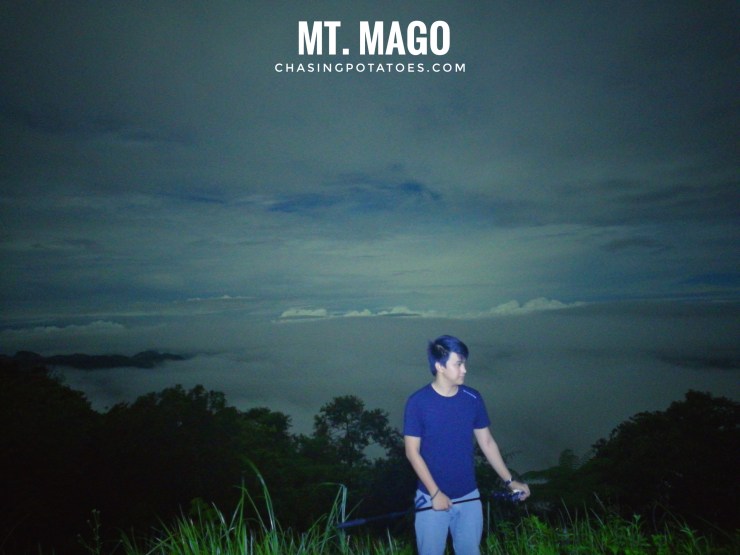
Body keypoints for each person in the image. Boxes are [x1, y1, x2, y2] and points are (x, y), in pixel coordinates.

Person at [403, 334, 530, 555]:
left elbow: (487, 442)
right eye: (458, 364)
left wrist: (509, 481)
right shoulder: (418, 402)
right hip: (430, 499)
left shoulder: (472, 398)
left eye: (464, 363)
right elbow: (412, 452)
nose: (465, 370)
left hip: (469, 497)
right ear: (439, 366)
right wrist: (435, 493)